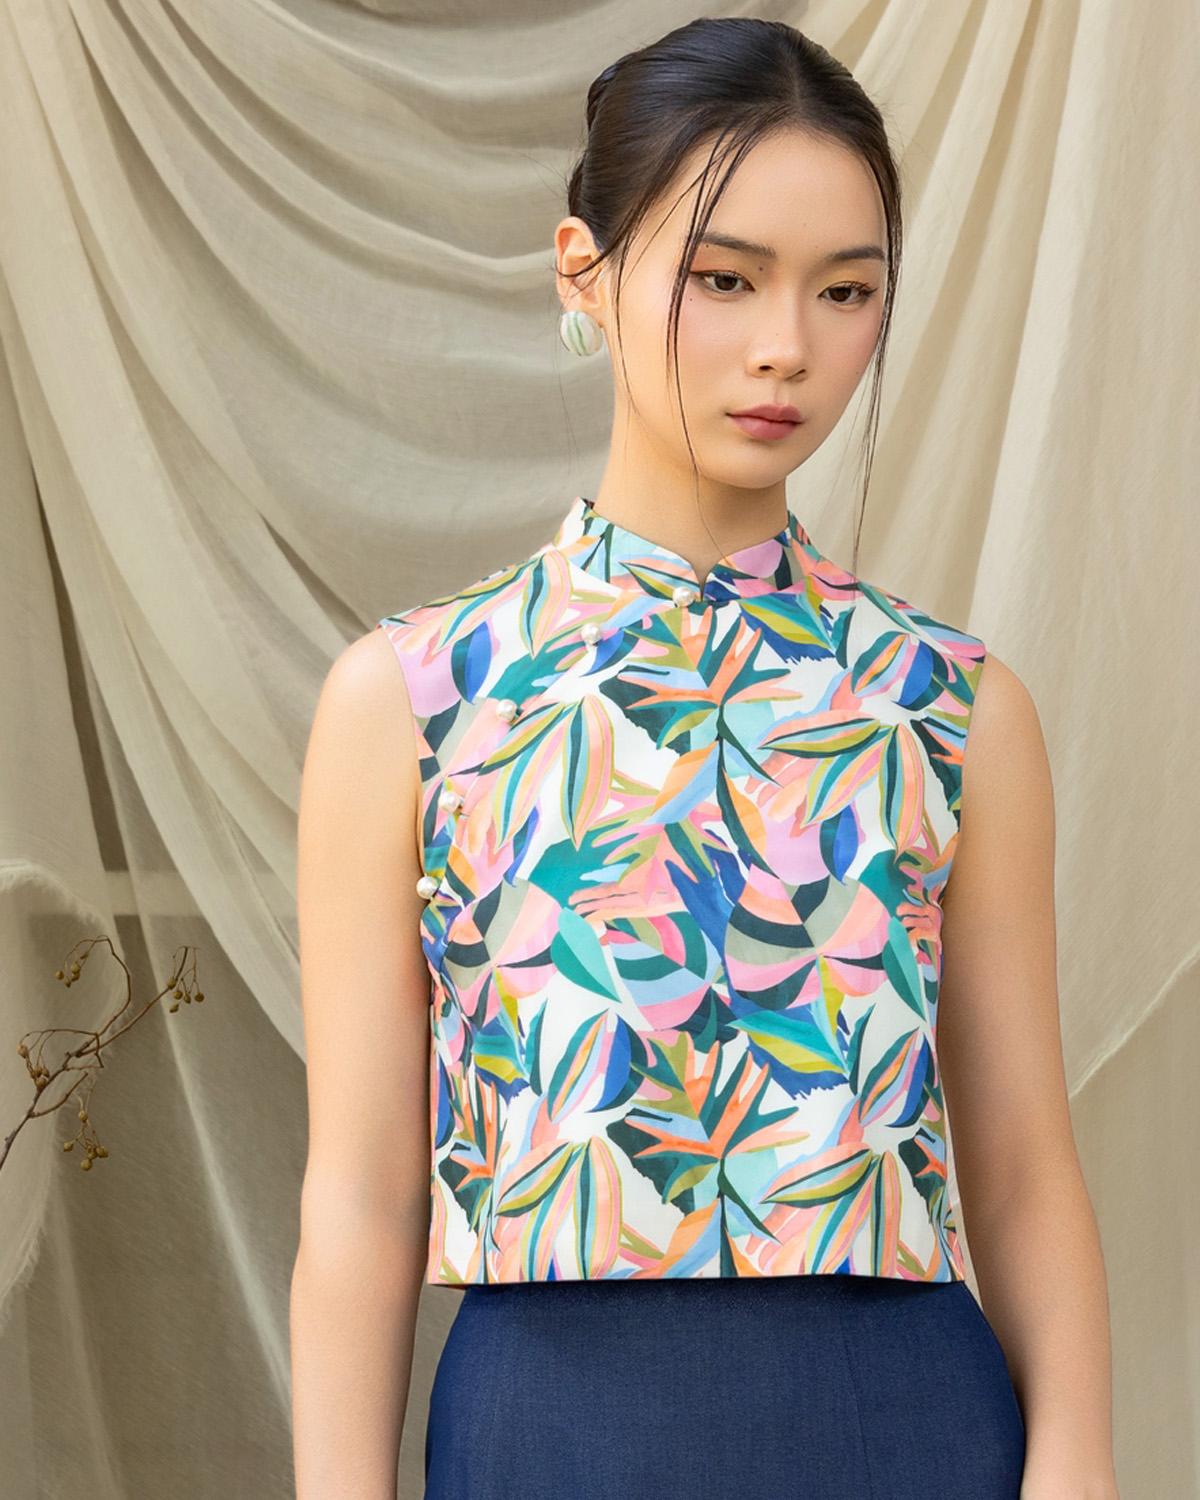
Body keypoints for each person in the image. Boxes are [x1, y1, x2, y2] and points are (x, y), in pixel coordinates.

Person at [291, 18, 1119, 1500]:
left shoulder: (952, 710)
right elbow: (358, 1197)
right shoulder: (414, 702)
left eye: (845, 290)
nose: (786, 345)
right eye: (725, 278)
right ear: (583, 273)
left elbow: (1020, 1167)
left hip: (904, 1428)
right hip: (550, 1434)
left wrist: (1079, 1459)